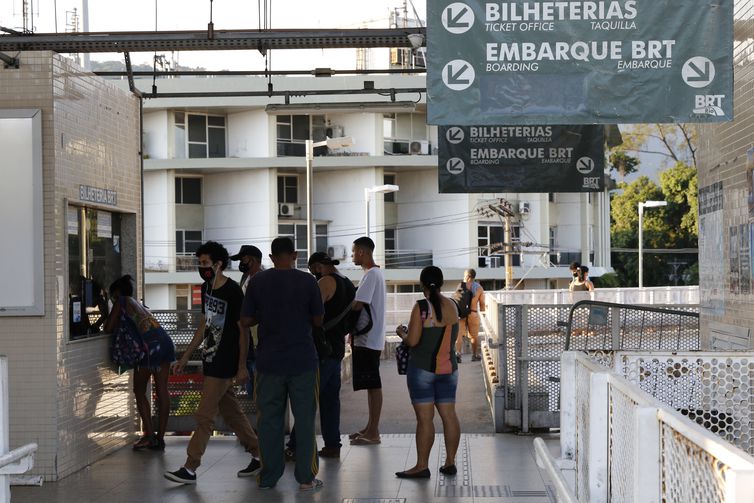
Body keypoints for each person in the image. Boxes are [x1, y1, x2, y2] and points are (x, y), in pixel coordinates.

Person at [164, 241, 260, 485]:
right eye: (200, 263)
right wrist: (186, 356)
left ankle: (190, 466)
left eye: (205, 263)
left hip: (224, 361)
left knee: (204, 416)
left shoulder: (233, 292)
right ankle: (260, 454)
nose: (202, 267)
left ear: (219, 264)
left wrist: (241, 366)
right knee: (233, 414)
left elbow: (243, 331)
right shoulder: (206, 288)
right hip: (210, 358)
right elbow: (204, 325)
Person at [240, 237, 324, 491]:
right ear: (295, 255)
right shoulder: (308, 281)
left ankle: (268, 477)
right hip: (303, 362)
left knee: (268, 422)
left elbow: (245, 320)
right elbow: (319, 320)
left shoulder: (258, 282)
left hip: (268, 363)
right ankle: (306, 479)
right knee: (306, 420)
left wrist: (264, 316)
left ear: (272, 257)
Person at [287, 252, 356, 459]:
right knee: (330, 400)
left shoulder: (326, 282)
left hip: (321, 348)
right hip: (336, 347)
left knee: (308, 399)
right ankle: (332, 444)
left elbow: (312, 313)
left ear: (317, 266)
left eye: (311, 270)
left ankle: (295, 446)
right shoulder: (348, 284)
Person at [395, 266, 461, 479]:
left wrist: (401, 333)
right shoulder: (452, 305)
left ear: (422, 284)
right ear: (441, 284)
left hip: (422, 370)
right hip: (449, 370)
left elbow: (413, 341)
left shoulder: (422, 307)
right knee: (449, 416)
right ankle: (450, 462)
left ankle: (422, 466)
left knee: (425, 419)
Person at [104, 275, 176, 451]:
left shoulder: (122, 301)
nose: (112, 300)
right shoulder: (137, 304)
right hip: (165, 343)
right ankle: (160, 438)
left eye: (112, 296)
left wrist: (104, 308)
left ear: (117, 293)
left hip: (149, 349)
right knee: (162, 391)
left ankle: (150, 437)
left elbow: (108, 327)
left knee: (139, 390)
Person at [348, 236, 387, 446]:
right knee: (372, 384)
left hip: (367, 339)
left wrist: (346, 327)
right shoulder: (374, 274)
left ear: (362, 252)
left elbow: (357, 305)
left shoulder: (371, 275)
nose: (353, 255)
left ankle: (374, 431)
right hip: (370, 338)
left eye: (354, 251)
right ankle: (371, 427)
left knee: (373, 384)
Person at [230, 245, 263, 397]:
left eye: (244, 259)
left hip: (259, 341)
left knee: (260, 387)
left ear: (255, 260)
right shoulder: (245, 278)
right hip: (245, 340)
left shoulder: (264, 280)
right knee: (251, 388)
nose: (241, 263)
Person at [454, 269, 485, 362]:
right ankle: (475, 355)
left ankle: (458, 354)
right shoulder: (479, 288)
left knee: (458, 335)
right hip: (473, 313)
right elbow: (482, 303)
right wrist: (483, 313)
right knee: (474, 336)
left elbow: (456, 299)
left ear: (467, 276)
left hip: (461, 313)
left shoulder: (461, 286)